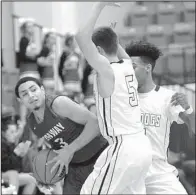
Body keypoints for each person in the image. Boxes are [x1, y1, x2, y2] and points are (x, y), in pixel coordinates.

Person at [56, 2, 152, 194]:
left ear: (98, 51)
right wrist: (110, 32)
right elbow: (114, 45)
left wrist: (99, 6)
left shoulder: (107, 70)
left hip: (123, 147)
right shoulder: (127, 64)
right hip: (142, 146)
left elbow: (81, 37)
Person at [14, 76, 108, 194]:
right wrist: (45, 176)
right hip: (75, 166)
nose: (31, 95)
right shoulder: (32, 123)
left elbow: (95, 124)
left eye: (33, 90)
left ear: (42, 90)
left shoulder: (58, 104)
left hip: (99, 157)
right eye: (25, 94)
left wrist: (70, 149)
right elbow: (57, 148)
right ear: (20, 100)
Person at [125, 40, 195, 194]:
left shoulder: (167, 97)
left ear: (148, 68)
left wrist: (188, 109)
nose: (128, 72)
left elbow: (193, 126)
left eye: (133, 67)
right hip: (127, 171)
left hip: (156, 171)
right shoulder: (122, 98)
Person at [1, 113, 36, 195]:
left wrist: (20, 155)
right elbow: (4, 166)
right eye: (11, 132)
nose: (14, 135)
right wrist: (15, 154)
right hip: (4, 174)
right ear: (3, 133)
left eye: (15, 131)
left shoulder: (11, 144)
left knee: (33, 178)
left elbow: (14, 166)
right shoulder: (2, 145)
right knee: (13, 174)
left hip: (9, 174)